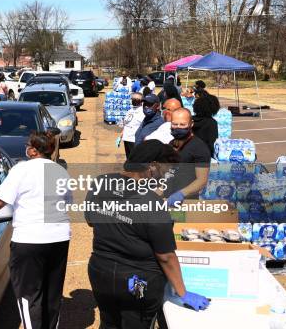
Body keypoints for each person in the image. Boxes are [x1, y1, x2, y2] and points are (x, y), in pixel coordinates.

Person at [85, 140, 210, 328]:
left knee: (109, 323)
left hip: (100, 272)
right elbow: (166, 256)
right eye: (165, 170)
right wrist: (183, 292)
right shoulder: (152, 204)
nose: (165, 176)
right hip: (138, 281)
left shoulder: (101, 182)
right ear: (152, 166)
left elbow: (90, 220)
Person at [0, 131, 71, 329]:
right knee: (52, 292)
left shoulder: (22, 170)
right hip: (59, 238)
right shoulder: (60, 171)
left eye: (27, 145)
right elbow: (66, 202)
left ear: (32, 150)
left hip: (30, 240)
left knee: (29, 294)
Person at [164, 108, 212, 206]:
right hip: (167, 199)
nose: (178, 127)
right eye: (175, 124)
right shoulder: (171, 144)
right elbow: (168, 173)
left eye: (182, 124)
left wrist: (181, 194)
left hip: (186, 202)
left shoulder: (199, 148)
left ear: (191, 124)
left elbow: (202, 180)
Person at [119, 92, 145, 158]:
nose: (134, 101)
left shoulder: (143, 112)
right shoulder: (130, 111)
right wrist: (122, 134)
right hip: (127, 138)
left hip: (134, 140)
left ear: (141, 101)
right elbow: (126, 123)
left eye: (136, 99)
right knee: (129, 157)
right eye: (133, 99)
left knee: (135, 158)